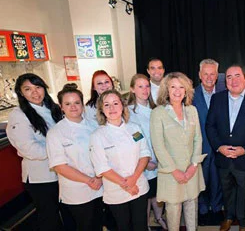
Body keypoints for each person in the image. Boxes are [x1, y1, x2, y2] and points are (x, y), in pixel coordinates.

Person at [206, 64, 245, 231]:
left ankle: (243, 222)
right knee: (226, 190)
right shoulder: (217, 99)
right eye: (229, 77)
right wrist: (219, 147)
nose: (233, 80)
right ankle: (228, 216)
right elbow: (210, 126)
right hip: (223, 158)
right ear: (224, 81)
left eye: (237, 76)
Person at [6, 73, 64, 231]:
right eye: (28, 89)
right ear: (21, 92)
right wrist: (61, 151)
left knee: (64, 213)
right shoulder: (19, 116)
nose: (35, 92)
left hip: (61, 173)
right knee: (50, 218)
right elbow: (29, 149)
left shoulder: (52, 108)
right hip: (41, 178)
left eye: (38, 87)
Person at [150, 72, 206, 230]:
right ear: (166, 90)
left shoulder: (192, 110)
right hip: (171, 172)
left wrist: (193, 166)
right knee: (173, 212)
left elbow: (198, 139)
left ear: (187, 90)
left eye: (182, 87)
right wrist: (175, 171)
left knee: (191, 208)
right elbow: (158, 146)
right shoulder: (158, 113)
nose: (177, 91)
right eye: (173, 87)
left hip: (192, 169)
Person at [89, 90, 151, 231]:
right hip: (117, 192)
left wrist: (134, 179)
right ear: (102, 110)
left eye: (116, 103)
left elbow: (145, 153)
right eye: (107, 105)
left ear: (122, 106)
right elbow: (102, 167)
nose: (112, 108)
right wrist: (127, 185)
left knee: (141, 226)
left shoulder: (134, 128)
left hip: (139, 188)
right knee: (123, 227)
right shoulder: (97, 136)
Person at [46, 83, 103, 231]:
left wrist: (100, 178)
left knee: (98, 224)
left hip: (101, 186)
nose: (73, 107)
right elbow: (60, 166)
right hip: (77, 192)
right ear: (61, 107)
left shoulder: (94, 125)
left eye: (77, 102)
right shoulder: (56, 133)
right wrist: (89, 180)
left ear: (83, 105)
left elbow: (104, 155)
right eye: (68, 103)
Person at [127, 74, 167, 229]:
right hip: (143, 160)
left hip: (159, 158)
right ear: (132, 89)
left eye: (147, 86)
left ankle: (158, 217)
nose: (145, 90)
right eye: (140, 86)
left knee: (158, 193)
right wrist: (145, 161)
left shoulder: (156, 108)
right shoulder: (129, 112)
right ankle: (144, 224)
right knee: (145, 195)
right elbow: (134, 137)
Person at [193, 59, 225, 226]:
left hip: (220, 146)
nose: (209, 77)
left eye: (213, 73)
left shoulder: (225, 93)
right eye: (205, 73)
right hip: (200, 147)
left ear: (217, 75)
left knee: (218, 179)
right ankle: (203, 210)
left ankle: (217, 207)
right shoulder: (190, 95)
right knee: (202, 180)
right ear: (199, 75)